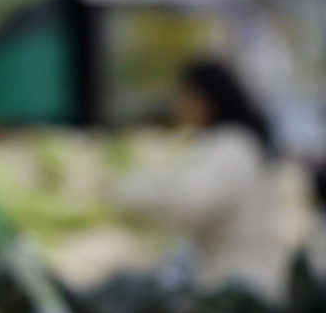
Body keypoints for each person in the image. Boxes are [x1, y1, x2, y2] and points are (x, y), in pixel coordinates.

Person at [114, 58, 288, 300]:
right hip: (238, 287)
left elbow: (188, 203)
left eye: (184, 98)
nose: (178, 107)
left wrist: (128, 190)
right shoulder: (232, 143)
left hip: (242, 290)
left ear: (205, 99)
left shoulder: (232, 147)